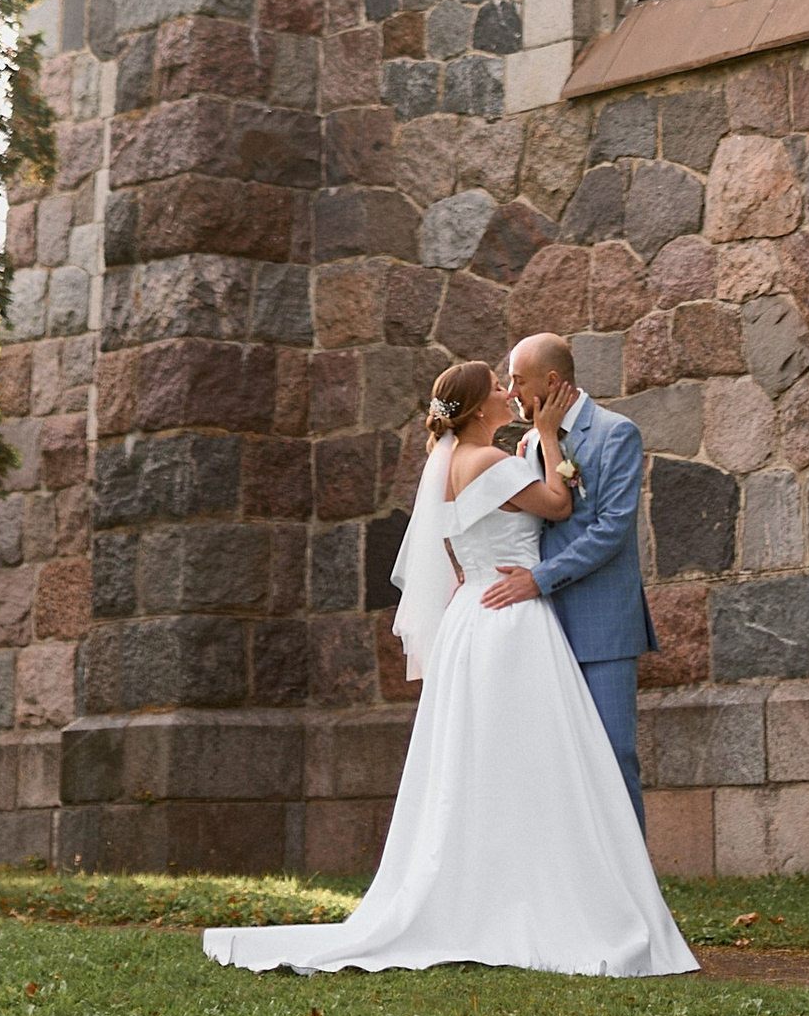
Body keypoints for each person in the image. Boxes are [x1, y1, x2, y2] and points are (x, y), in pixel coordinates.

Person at [198, 357, 696, 980]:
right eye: (498, 387)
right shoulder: (492, 460)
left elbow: (453, 546)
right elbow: (560, 508)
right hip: (509, 620)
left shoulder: (451, 464)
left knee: (485, 760)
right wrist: (545, 438)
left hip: (475, 614)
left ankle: (504, 889)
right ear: (480, 408)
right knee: (539, 759)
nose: (508, 393)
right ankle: (542, 896)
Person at [480, 332, 654, 830]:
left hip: (601, 626)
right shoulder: (531, 442)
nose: (510, 392)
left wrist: (537, 580)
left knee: (614, 754)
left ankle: (631, 894)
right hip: (542, 627)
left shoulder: (616, 433)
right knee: (557, 764)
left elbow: (610, 532)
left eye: (517, 380)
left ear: (551, 381)